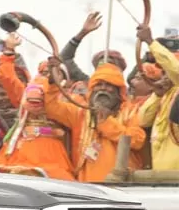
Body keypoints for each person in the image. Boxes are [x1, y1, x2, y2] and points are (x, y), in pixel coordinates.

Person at [43, 58, 146, 182]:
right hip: (89, 186)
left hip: (122, 184)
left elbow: (137, 140)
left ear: (118, 90)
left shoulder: (130, 111)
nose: (103, 89)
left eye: (108, 85)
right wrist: (54, 84)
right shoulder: (81, 113)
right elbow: (51, 108)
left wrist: (106, 123)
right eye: (99, 84)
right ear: (92, 89)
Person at [137, 25, 179, 171]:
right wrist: (156, 96)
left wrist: (150, 41)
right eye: (162, 70)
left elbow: (176, 69)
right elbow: (142, 120)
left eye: (166, 70)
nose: (164, 74)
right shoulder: (165, 94)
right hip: (161, 177)